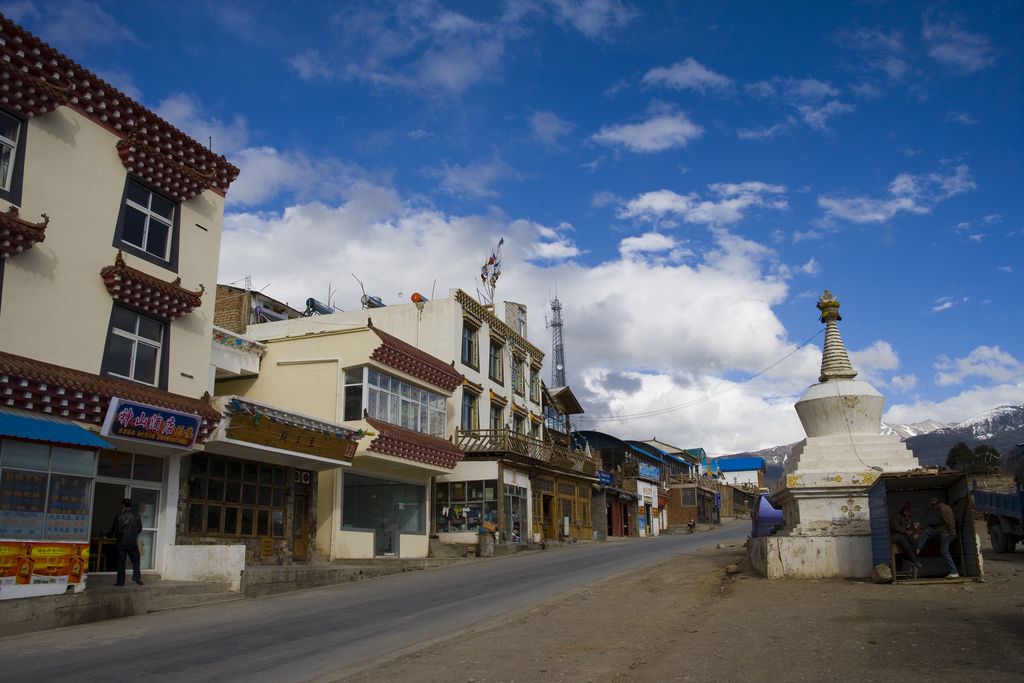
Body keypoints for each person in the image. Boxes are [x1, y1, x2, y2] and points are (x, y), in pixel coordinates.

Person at [917, 497, 958, 579]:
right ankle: (918, 547)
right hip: (942, 532)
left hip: (945, 534)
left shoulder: (944, 510)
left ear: (935, 504)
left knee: (945, 552)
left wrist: (951, 533)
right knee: (927, 532)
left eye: (933, 507)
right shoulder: (944, 508)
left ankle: (954, 572)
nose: (933, 509)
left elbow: (950, 522)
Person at [110, 497, 143, 586]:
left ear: (123, 505)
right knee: (136, 559)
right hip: (132, 541)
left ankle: (120, 582)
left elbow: (115, 529)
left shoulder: (119, 516)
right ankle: (136, 576)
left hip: (121, 541)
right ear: (130, 505)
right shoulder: (136, 516)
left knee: (121, 562)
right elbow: (139, 529)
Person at [888, 502, 922, 569]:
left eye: (907, 512)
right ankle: (915, 561)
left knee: (914, 542)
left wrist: (912, 532)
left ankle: (908, 559)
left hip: (905, 535)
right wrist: (905, 531)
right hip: (896, 536)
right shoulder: (897, 517)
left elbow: (912, 528)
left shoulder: (909, 519)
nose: (906, 513)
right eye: (905, 511)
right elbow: (894, 526)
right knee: (905, 544)